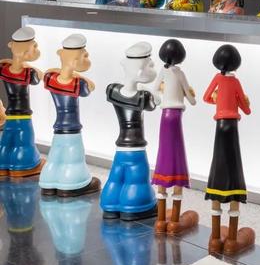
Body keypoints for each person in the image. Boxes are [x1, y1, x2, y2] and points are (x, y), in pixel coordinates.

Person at [203, 44, 254, 255]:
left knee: (218, 166)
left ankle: (215, 238)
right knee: (234, 168)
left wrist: (217, 99)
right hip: (232, 126)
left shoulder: (217, 79)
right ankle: (232, 240)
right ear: (236, 64)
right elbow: (246, 108)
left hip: (219, 125)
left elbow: (206, 97)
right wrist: (246, 103)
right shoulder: (235, 82)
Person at [100, 42, 158, 221]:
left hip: (120, 148)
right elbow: (154, 104)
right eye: (150, 65)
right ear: (140, 72)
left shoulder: (112, 90)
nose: (153, 68)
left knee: (115, 177)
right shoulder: (143, 97)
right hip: (136, 149)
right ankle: (133, 206)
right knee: (137, 179)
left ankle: (110, 205)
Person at [39, 33, 101, 196]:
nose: (87, 59)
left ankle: (48, 182)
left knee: (54, 156)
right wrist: (76, 74)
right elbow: (91, 86)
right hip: (73, 130)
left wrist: (64, 68)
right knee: (74, 159)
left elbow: (49, 71)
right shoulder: (79, 84)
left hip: (58, 129)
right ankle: (73, 183)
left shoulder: (50, 78)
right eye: (85, 56)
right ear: (75, 61)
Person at [151, 39, 198, 234]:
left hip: (165, 115)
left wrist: (163, 90)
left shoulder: (163, 72)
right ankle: (175, 219)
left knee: (163, 153)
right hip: (176, 115)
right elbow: (192, 99)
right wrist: (190, 94)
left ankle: (161, 220)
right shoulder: (180, 73)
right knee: (177, 155)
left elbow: (154, 90)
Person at [0, 27, 44, 177]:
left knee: (6, 142)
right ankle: (24, 165)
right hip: (24, 116)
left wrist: (10, 61)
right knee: (24, 143)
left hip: (10, 115)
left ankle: (3, 164)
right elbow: (40, 76)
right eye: (34, 47)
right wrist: (27, 65)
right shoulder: (29, 73)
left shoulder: (3, 69)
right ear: (26, 52)